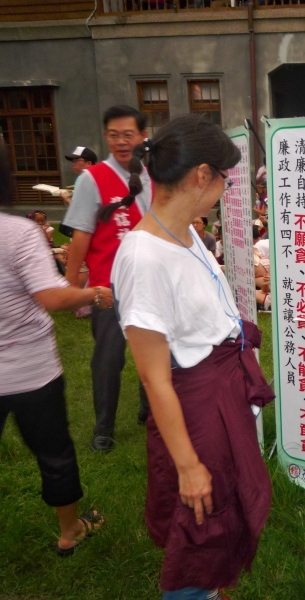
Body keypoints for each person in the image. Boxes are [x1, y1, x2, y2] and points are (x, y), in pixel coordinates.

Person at [110, 114, 274, 600]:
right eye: (225, 178)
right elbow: (154, 377)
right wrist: (187, 465)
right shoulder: (144, 258)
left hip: (217, 395)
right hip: (195, 409)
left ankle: (213, 589)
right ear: (202, 175)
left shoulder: (184, 233)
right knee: (201, 523)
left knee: (223, 510)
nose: (226, 188)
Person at [0, 142, 110, 557]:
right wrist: (96, 293)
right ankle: (70, 530)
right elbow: (49, 296)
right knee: (54, 451)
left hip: (29, 367)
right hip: (31, 371)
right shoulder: (18, 232)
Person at [61, 105, 152, 451]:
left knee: (151, 350)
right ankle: (103, 427)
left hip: (147, 282)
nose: (120, 141)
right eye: (113, 135)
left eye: (128, 134)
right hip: (107, 285)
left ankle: (148, 410)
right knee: (109, 358)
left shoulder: (153, 175)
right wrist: (71, 286)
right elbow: (81, 234)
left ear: (143, 136)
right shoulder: (92, 178)